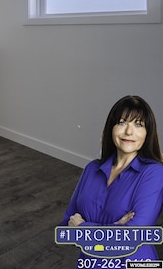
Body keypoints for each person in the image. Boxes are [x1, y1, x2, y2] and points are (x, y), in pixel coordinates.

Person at [60, 95, 163, 266]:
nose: (129, 132)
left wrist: (83, 227)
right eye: (122, 122)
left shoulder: (155, 173)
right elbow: (65, 227)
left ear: (148, 133)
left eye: (138, 124)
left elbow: (132, 238)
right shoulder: (91, 169)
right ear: (111, 128)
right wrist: (116, 227)